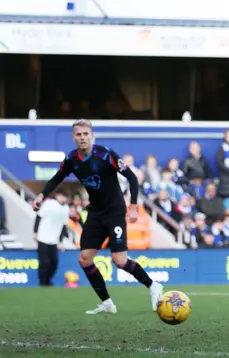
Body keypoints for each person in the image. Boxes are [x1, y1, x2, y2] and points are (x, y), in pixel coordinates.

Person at [32, 119, 164, 314]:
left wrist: (134, 206)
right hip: (95, 212)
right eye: (79, 134)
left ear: (92, 135)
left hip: (115, 212)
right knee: (84, 259)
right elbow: (57, 178)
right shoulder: (71, 160)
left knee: (119, 261)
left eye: (86, 134)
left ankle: (153, 285)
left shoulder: (105, 154)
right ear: (73, 137)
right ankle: (107, 302)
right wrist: (42, 195)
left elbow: (132, 178)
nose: (83, 138)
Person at [34, 192, 70, 286]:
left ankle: (48, 279)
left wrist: (61, 241)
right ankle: (43, 282)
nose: (64, 199)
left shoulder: (65, 208)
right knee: (44, 261)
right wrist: (35, 232)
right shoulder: (49, 203)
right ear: (58, 195)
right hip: (43, 237)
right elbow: (39, 216)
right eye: (63, 196)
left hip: (54, 239)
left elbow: (63, 225)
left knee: (54, 262)